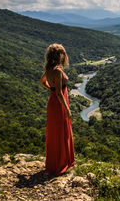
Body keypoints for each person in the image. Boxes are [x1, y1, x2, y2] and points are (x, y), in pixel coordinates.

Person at [40, 43, 75, 175]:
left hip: (52, 102)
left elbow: (42, 82)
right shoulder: (58, 71)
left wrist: (51, 90)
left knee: (55, 133)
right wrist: (67, 110)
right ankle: (62, 164)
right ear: (60, 55)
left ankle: (54, 164)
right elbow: (60, 93)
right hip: (60, 103)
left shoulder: (49, 69)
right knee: (62, 132)